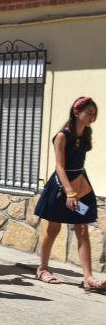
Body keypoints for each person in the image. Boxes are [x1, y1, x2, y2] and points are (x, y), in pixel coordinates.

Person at [35, 97, 104, 290]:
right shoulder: (62, 135)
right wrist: (70, 192)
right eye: (88, 113)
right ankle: (42, 268)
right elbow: (59, 166)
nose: (92, 117)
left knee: (82, 229)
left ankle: (89, 278)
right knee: (53, 228)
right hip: (61, 188)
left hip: (80, 186)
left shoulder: (85, 134)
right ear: (76, 112)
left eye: (94, 114)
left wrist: (76, 192)